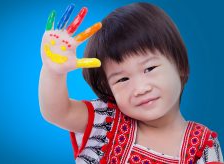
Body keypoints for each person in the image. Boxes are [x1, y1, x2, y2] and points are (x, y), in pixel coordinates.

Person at [39, 2, 223, 164]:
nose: (140, 89)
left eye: (149, 69)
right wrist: (53, 71)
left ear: (180, 65)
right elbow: (58, 112)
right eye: (122, 79)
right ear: (107, 88)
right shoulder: (106, 121)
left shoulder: (202, 144)